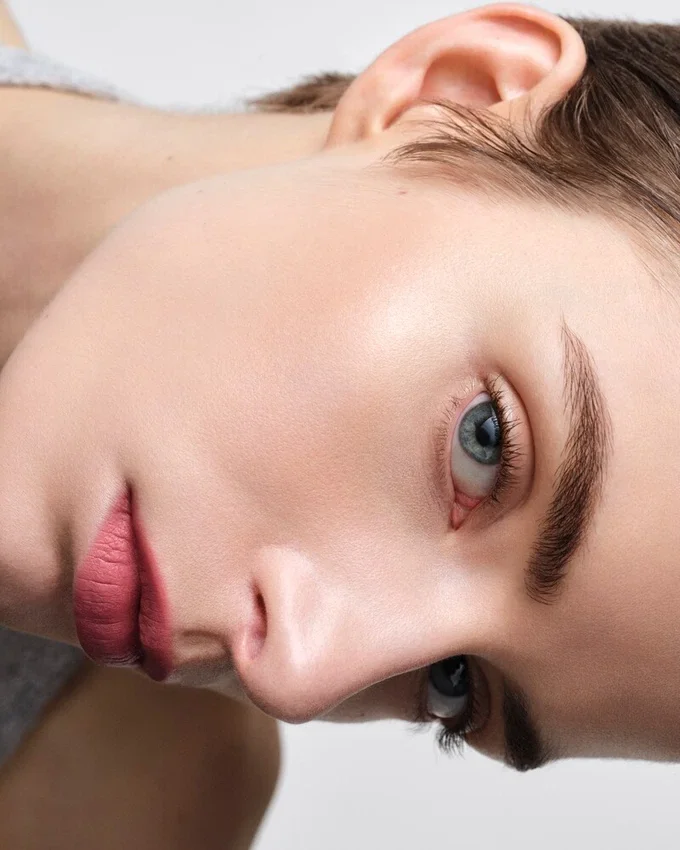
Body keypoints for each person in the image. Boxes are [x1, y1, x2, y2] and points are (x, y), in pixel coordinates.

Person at [1, 0, 679, 844]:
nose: (296, 672)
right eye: (483, 443)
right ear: (453, 99)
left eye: (455, 685)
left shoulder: (129, 797)